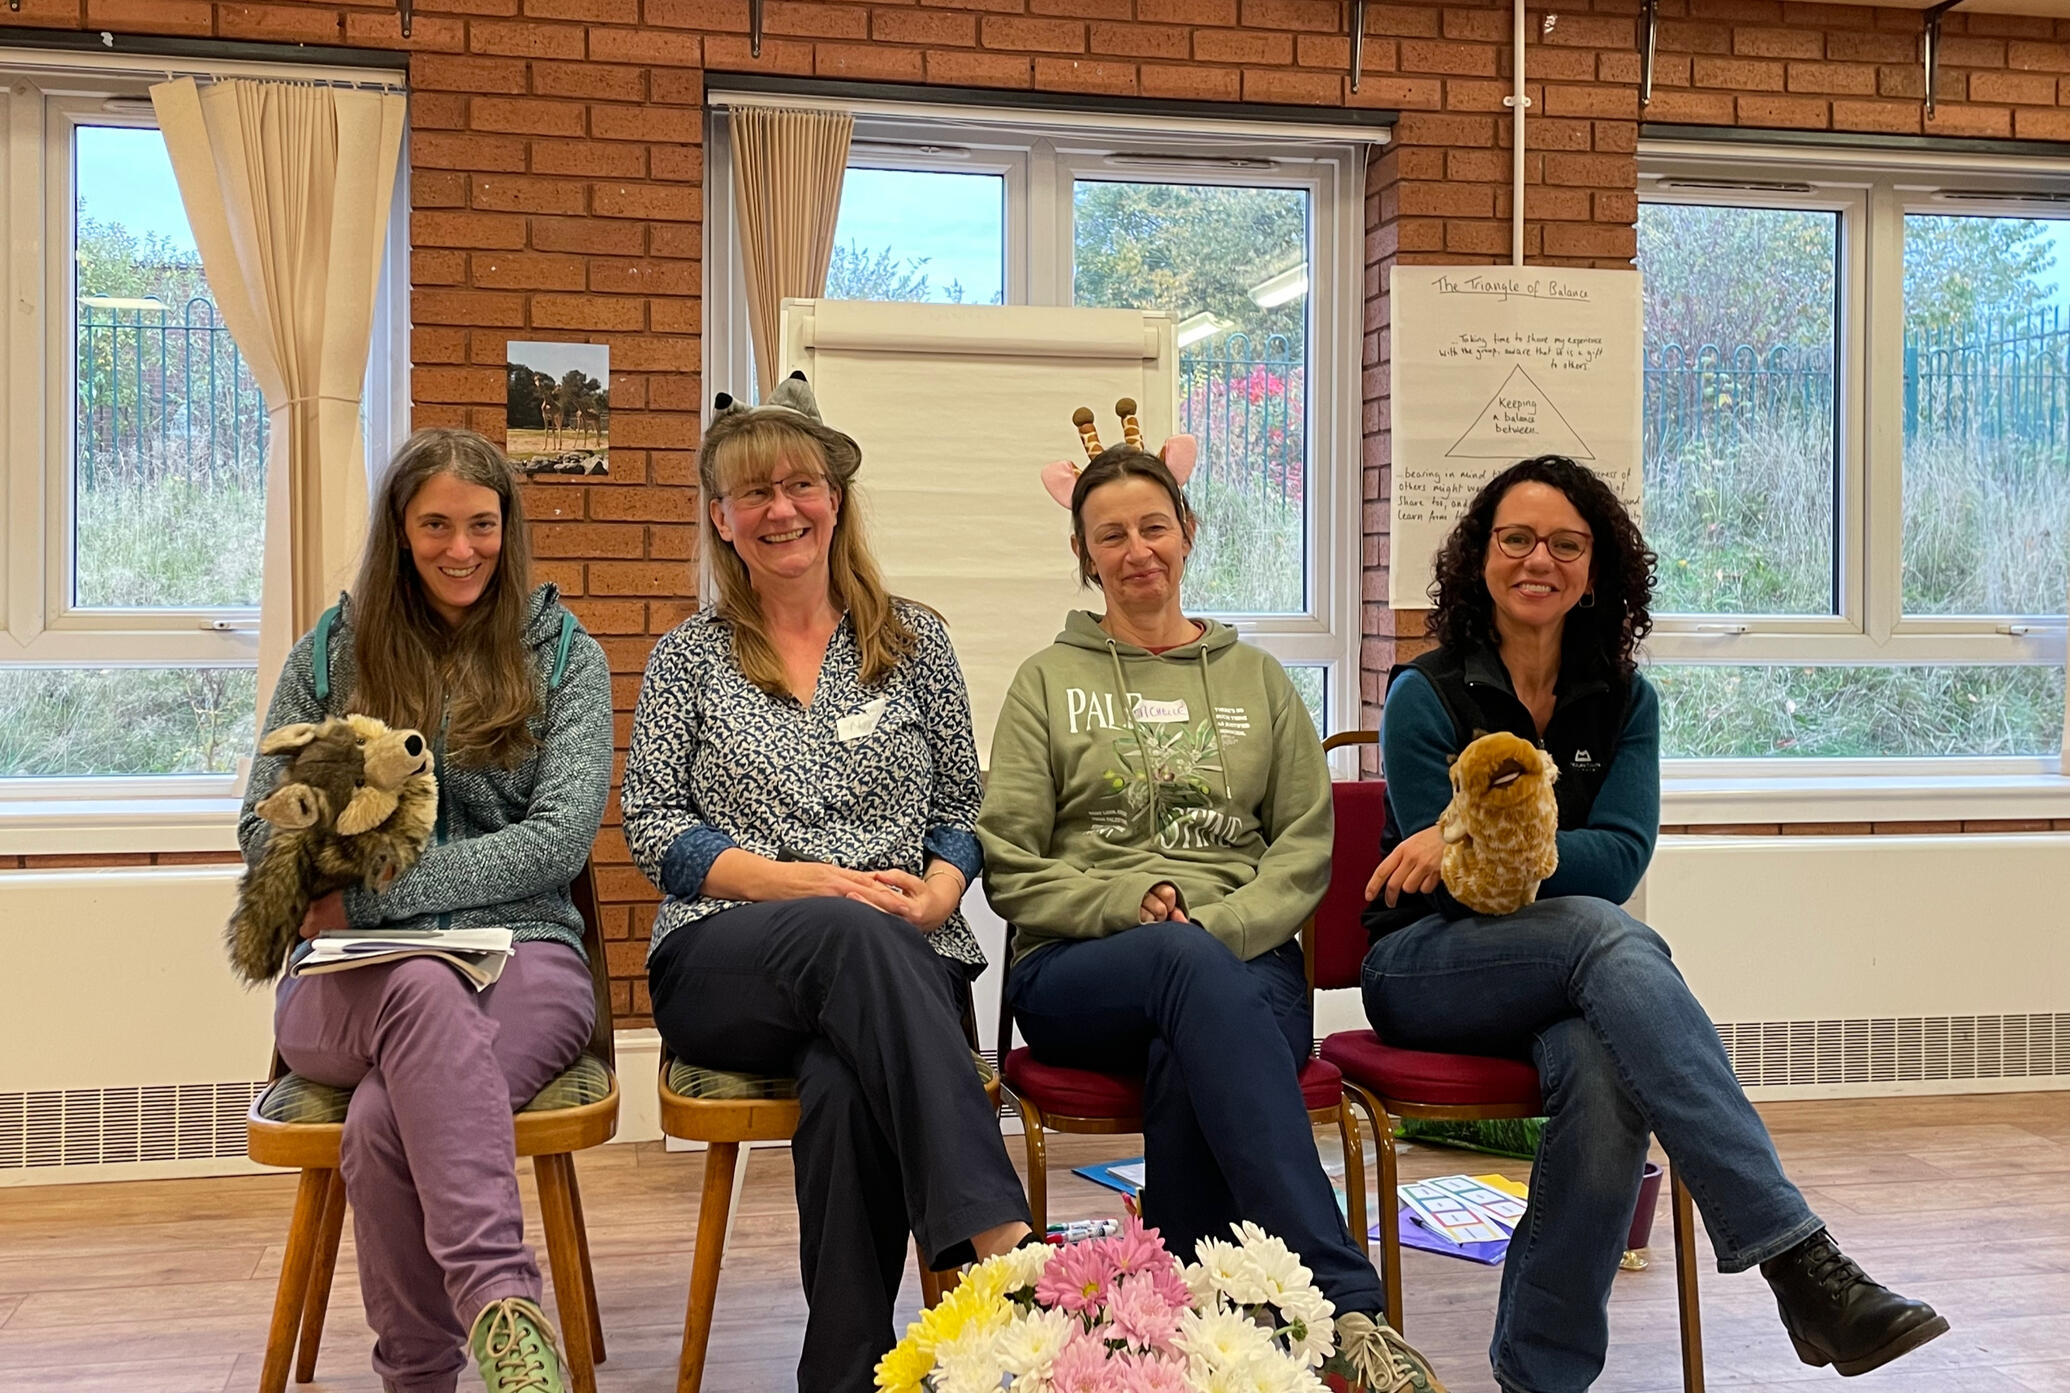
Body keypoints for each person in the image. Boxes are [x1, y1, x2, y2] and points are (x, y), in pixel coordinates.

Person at [1362, 454, 1948, 1393]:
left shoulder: (1627, 699)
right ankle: (1798, 1259)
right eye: (1517, 538)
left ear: (1596, 570)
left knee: (1606, 1077)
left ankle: (1542, 1379)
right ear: (1482, 557)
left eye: (1566, 543)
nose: (1539, 559)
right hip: (1427, 966)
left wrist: (1475, 829)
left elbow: (1623, 854)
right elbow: (1464, 892)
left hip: (1564, 977)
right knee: (1608, 931)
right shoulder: (1424, 693)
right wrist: (1498, 851)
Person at [978, 415, 1448, 1393]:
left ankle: (1183, 1353)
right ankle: (1348, 1309)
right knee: (1182, 971)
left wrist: (1217, 928)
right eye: (1110, 534)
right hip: (1081, 969)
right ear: (1083, 555)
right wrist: (1125, 901)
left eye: (1154, 525)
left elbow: (1304, 850)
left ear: (1188, 531)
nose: (1136, 549)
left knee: (1188, 1046)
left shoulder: (1259, 681)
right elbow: (1012, 863)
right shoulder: (1045, 682)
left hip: (1243, 959)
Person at [622, 375, 1032, 1393]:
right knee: (845, 928)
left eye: (799, 485)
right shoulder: (688, 658)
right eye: (753, 493)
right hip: (728, 958)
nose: (782, 509)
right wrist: (792, 883)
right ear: (722, 517)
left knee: (847, 1085)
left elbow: (961, 800)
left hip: (904, 951)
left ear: (836, 499)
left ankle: (844, 1375)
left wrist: (942, 892)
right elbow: (653, 828)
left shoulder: (916, 642)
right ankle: (1003, 1244)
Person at [241, 427, 613, 1393]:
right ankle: (503, 1307)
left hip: (526, 956)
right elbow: (257, 825)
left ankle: (418, 1376)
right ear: (400, 531)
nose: (462, 548)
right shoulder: (332, 652)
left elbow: (555, 844)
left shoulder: (565, 657)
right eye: (437, 525)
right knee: (416, 985)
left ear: (508, 527)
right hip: (346, 979)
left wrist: (379, 891)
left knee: (381, 1122)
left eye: (482, 524)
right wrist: (324, 874)